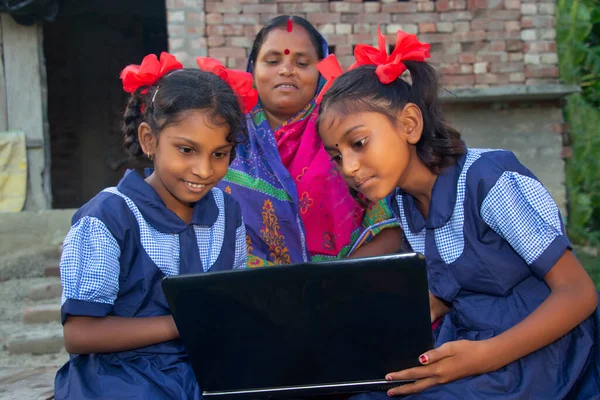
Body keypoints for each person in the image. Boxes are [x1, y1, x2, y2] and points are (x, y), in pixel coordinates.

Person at [316, 29, 600, 399]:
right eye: (337, 157)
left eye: (358, 143)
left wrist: (482, 357)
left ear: (409, 124)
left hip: (541, 357)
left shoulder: (489, 181)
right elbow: (449, 291)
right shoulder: (404, 202)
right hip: (470, 344)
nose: (349, 167)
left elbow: (579, 293)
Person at [54, 52, 254, 399]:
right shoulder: (107, 217)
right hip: (119, 379)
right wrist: (180, 324)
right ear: (149, 140)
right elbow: (79, 334)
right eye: (187, 150)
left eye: (219, 154)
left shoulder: (227, 212)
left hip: (201, 373)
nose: (204, 171)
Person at [217, 15, 402, 267]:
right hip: (249, 294)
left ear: (320, 72)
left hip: (343, 290)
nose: (286, 70)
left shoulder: (348, 134)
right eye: (272, 61)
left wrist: (329, 283)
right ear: (252, 67)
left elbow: (390, 228)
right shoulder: (226, 135)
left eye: (302, 63)